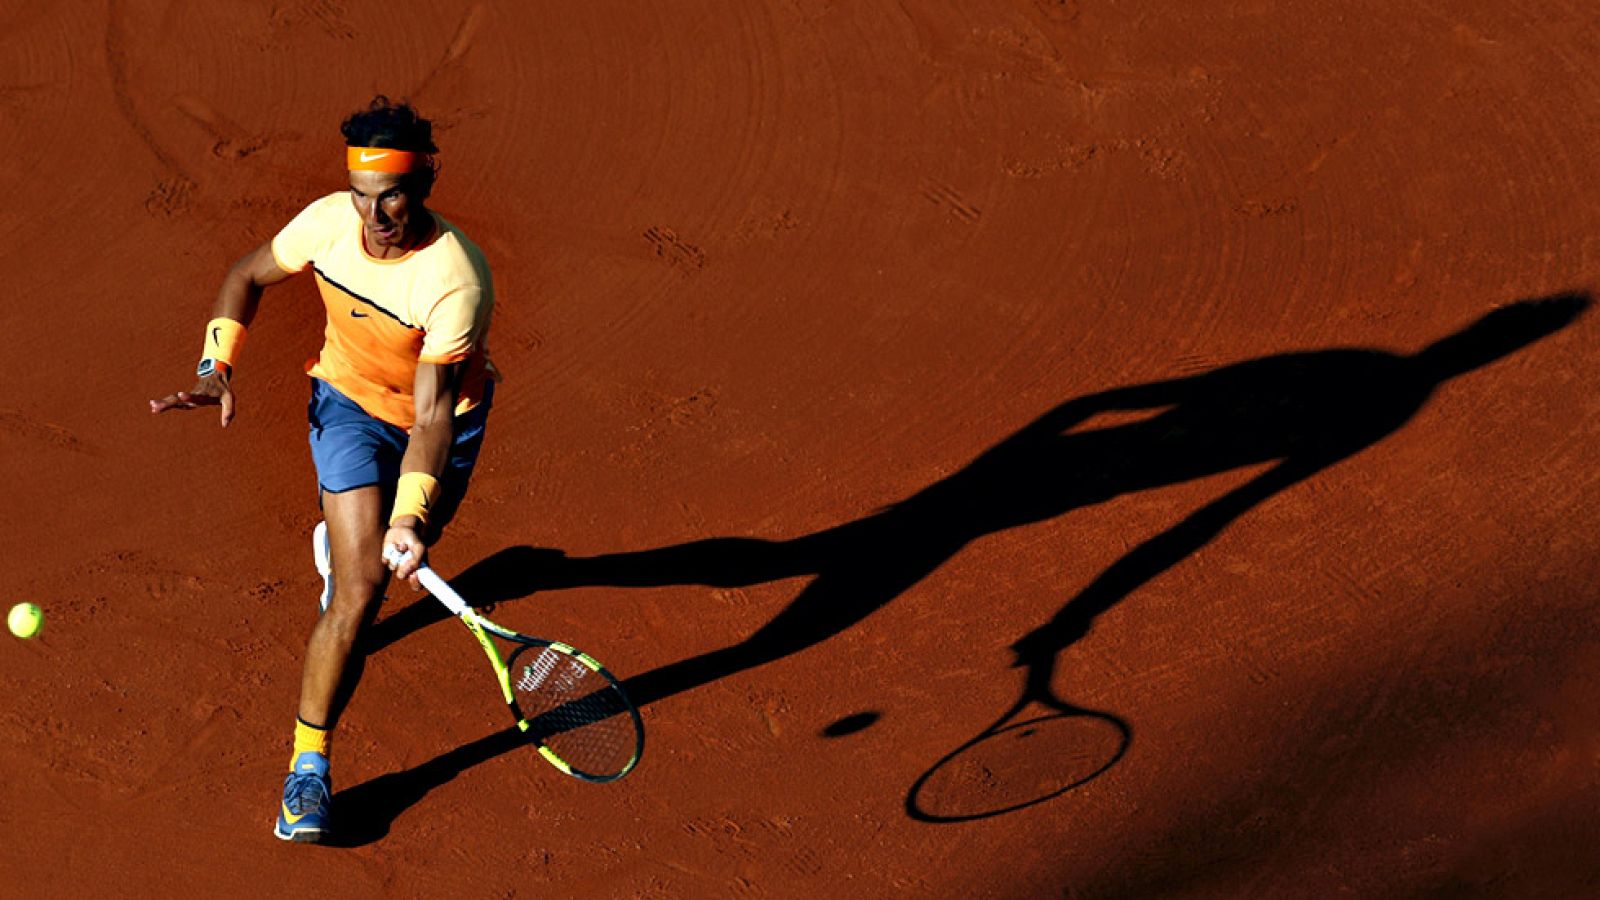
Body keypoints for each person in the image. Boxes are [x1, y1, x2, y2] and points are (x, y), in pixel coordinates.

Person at [150, 96, 499, 843]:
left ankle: (361, 539)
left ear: (425, 183)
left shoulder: (455, 281)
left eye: (393, 196)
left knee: (386, 550)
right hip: (345, 404)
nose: (375, 217)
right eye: (364, 197)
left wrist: (409, 514)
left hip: (438, 425)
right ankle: (307, 772)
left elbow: (433, 417)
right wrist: (217, 364)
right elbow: (245, 277)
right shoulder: (327, 223)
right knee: (362, 591)